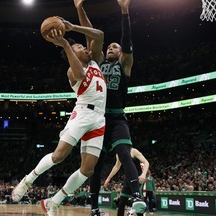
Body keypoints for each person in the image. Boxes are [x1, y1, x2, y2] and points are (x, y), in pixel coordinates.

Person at [11, 18, 107, 216]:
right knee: (59, 155)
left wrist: (74, 24)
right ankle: (27, 180)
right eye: (81, 47)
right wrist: (65, 43)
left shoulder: (95, 60)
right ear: (72, 53)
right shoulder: (72, 71)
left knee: (88, 170)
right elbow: (81, 74)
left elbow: (99, 34)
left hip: (99, 118)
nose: (87, 49)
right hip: (82, 113)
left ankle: (53, 202)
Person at [74, 0, 147, 215]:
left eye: (115, 47)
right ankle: (94, 207)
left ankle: (137, 197)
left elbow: (128, 41)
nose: (110, 48)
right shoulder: (97, 63)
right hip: (97, 118)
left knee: (125, 153)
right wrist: (80, 9)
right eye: (109, 46)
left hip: (116, 118)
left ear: (122, 53)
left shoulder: (124, 66)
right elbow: (91, 36)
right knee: (95, 166)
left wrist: (124, 11)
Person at [104, 148, 149, 216]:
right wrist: (108, 178)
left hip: (137, 179)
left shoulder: (133, 151)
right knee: (121, 203)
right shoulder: (118, 154)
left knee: (138, 203)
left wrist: (143, 174)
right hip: (127, 179)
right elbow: (117, 166)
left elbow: (146, 162)